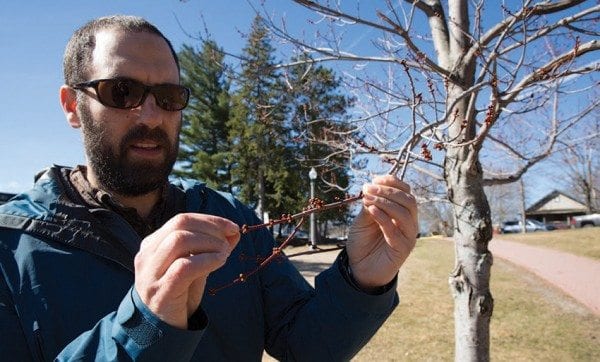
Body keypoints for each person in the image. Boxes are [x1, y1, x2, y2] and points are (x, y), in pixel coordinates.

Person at [0, 15, 418, 361]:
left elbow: (306, 346)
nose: (149, 115)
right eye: (122, 91)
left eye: (168, 96)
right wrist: (143, 329)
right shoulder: (12, 248)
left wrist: (363, 281)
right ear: (73, 106)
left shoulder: (227, 218)